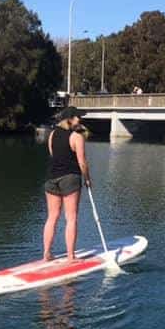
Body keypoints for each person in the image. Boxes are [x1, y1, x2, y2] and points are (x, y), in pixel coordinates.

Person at [43, 106, 92, 262]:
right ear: (70, 119)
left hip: (51, 178)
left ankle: (47, 254)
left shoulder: (52, 135)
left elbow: (53, 155)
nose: (80, 120)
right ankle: (71, 257)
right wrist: (88, 179)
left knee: (52, 217)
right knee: (71, 218)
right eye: (77, 117)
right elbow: (82, 162)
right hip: (70, 178)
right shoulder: (76, 137)